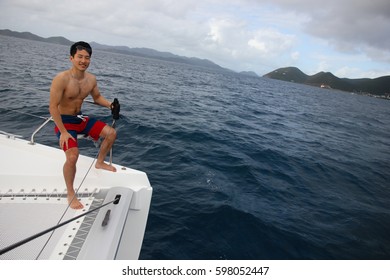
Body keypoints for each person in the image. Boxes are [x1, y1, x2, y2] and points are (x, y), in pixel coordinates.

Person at [49, 41, 117, 210]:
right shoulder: (61, 79)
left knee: (111, 133)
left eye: (87, 57)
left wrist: (110, 105)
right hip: (64, 121)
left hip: (80, 119)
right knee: (72, 156)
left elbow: (97, 98)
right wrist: (63, 132)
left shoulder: (91, 79)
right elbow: (52, 107)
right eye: (80, 57)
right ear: (71, 58)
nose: (83, 60)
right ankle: (70, 192)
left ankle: (99, 162)